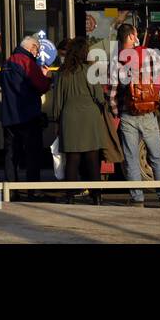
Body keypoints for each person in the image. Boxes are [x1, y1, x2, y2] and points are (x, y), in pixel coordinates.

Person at [108, 22, 160, 207]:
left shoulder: (116, 61)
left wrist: (117, 113)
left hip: (128, 115)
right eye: (135, 33)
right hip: (148, 113)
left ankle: (137, 199)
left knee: (131, 159)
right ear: (132, 36)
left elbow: (112, 93)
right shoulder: (150, 54)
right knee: (156, 157)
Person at [54, 36, 109, 204]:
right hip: (90, 117)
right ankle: (96, 195)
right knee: (92, 158)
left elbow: (58, 101)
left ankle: (70, 196)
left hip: (69, 118)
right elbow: (99, 96)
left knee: (72, 159)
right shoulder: (90, 70)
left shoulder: (63, 72)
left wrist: (57, 120)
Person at [2, 34, 53, 186]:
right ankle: (33, 189)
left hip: (9, 117)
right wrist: (47, 77)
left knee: (11, 155)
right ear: (32, 48)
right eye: (36, 52)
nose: (36, 55)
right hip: (28, 116)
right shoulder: (28, 63)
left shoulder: (7, 62)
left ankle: (11, 189)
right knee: (32, 155)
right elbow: (41, 86)